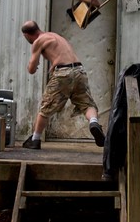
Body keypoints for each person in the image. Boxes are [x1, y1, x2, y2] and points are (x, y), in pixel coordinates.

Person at [20, 20, 105, 149]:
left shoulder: (38, 41)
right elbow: (63, 55)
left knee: (46, 107)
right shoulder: (55, 36)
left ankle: (35, 139)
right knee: (87, 104)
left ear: (27, 35)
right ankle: (94, 123)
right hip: (79, 70)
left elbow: (31, 69)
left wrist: (33, 66)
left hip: (63, 72)